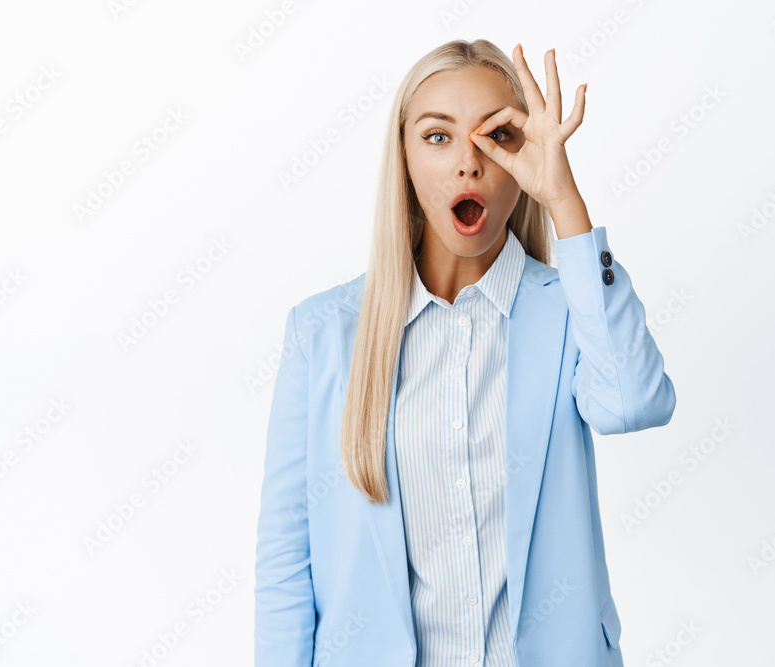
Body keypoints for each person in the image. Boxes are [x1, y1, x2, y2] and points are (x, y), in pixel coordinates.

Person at [254, 38, 676, 667]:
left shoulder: (572, 312)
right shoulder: (321, 334)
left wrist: (564, 201)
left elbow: (634, 403)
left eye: (497, 137)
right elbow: (286, 560)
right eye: (437, 136)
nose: (468, 164)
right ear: (404, 158)